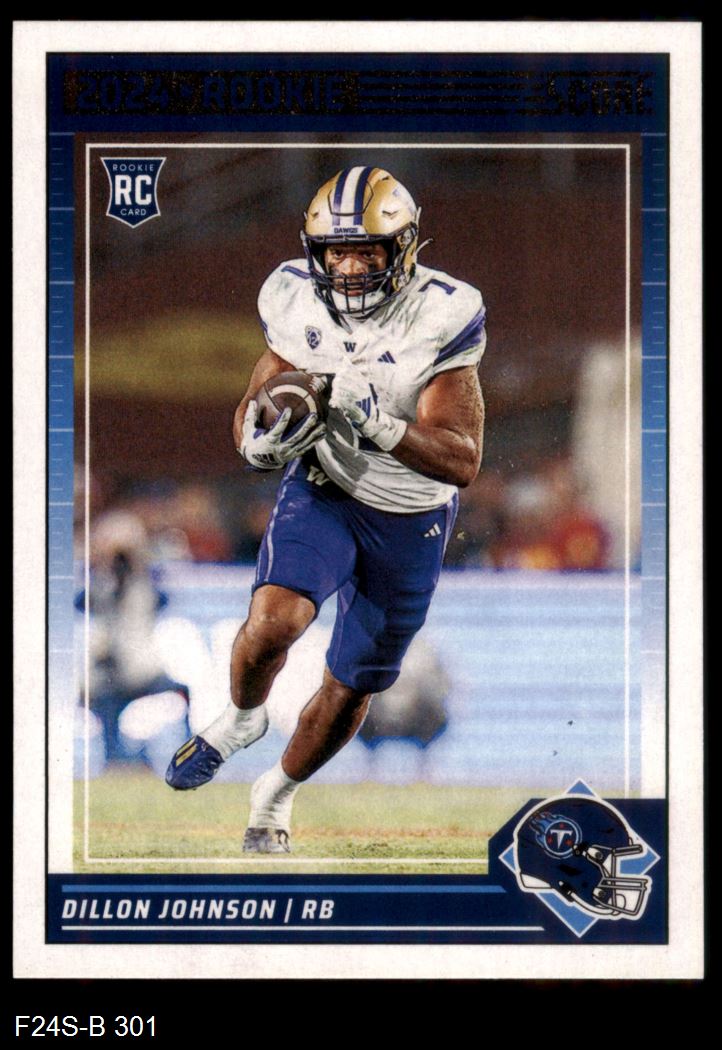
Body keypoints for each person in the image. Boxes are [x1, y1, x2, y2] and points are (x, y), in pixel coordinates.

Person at [166, 165, 487, 853]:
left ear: (402, 248)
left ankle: (275, 797)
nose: (349, 267)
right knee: (272, 622)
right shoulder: (290, 293)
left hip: (411, 514)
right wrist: (253, 440)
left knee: (351, 683)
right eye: (336, 252)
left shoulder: (445, 312)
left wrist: (380, 424)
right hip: (327, 487)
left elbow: (463, 460)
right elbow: (259, 394)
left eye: (366, 251)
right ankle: (244, 718)